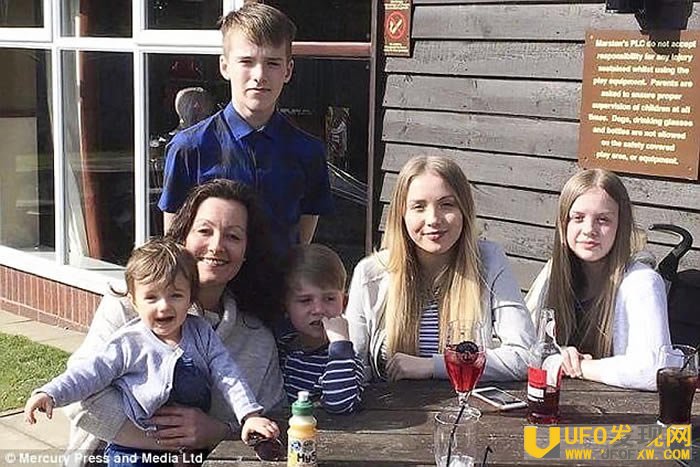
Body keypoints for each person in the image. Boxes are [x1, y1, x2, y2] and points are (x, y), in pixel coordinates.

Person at [63, 179, 286, 466]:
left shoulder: (257, 340)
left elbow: (276, 423)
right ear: (183, 237)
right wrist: (170, 445)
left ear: (246, 252)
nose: (217, 245)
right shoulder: (125, 309)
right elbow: (78, 398)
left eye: (233, 236)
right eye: (204, 231)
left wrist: (216, 432)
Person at [26, 238, 279, 465]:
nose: (164, 306)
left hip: (190, 446)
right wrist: (51, 393)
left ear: (190, 298)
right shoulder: (129, 342)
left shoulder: (201, 333)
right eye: (151, 298)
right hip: (134, 448)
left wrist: (250, 416)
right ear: (134, 302)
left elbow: (228, 375)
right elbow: (89, 372)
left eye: (175, 295)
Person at [158, 3, 334, 254]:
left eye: (272, 63)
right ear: (225, 66)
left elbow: (301, 243)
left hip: (279, 279)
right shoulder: (189, 148)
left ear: (288, 71)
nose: (259, 75)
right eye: (247, 61)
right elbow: (175, 246)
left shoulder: (308, 152)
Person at [346, 155, 535, 383]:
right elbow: (352, 366)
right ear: (401, 214)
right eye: (419, 207)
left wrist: (435, 365)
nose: (433, 219)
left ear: (464, 210)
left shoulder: (490, 261)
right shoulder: (370, 274)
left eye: (447, 205)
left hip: (467, 402)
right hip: (391, 405)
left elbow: (526, 356)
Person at [525, 169, 670, 391]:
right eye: (578, 218)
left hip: (623, 410)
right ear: (563, 224)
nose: (589, 230)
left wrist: (577, 366)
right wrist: (558, 354)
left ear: (621, 226)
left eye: (603, 220)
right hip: (559, 404)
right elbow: (524, 348)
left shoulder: (642, 282)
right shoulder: (554, 272)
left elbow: (651, 370)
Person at [277, 244, 363, 414]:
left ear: (344, 303)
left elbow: (340, 404)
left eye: (329, 299)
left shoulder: (346, 360)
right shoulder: (279, 351)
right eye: (305, 300)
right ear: (285, 306)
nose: (318, 309)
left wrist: (340, 344)